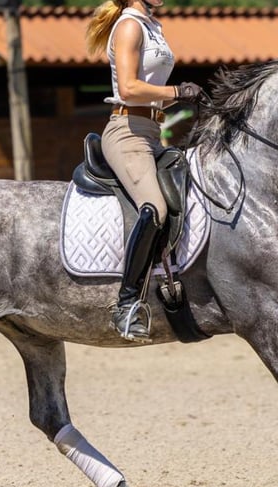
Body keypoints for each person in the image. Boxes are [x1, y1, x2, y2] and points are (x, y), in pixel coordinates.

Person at [85, 0, 202, 343]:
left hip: (153, 132)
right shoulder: (130, 25)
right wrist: (178, 91)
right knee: (155, 207)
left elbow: (153, 93)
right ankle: (126, 305)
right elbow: (129, 88)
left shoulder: (152, 26)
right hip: (126, 133)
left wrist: (187, 100)